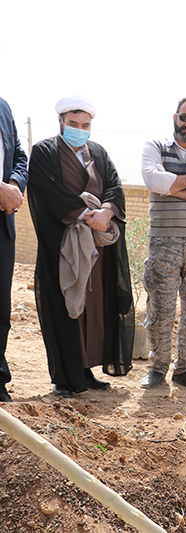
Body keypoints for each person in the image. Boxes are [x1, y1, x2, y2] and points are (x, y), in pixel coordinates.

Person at [27, 96, 134, 398]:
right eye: (73, 124)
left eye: (85, 125)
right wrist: (87, 214)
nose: (79, 129)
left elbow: (114, 185)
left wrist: (107, 212)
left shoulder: (97, 152)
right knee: (65, 304)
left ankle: (86, 370)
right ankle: (66, 376)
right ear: (61, 121)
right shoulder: (45, 152)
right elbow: (46, 191)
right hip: (64, 246)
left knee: (94, 305)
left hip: (96, 246)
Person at [139, 97, 186, 391]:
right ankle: (158, 368)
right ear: (175, 117)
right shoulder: (155, 147)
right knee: (161, 309)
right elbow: (152, 180)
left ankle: (185, 369)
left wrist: (171, 186)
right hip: (164, 243)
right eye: (184, 118)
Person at [0, 98, 28, 402]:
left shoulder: (3, 107)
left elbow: (19, 154)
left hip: (2, 220)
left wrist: (14, 184)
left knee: (1, 309)